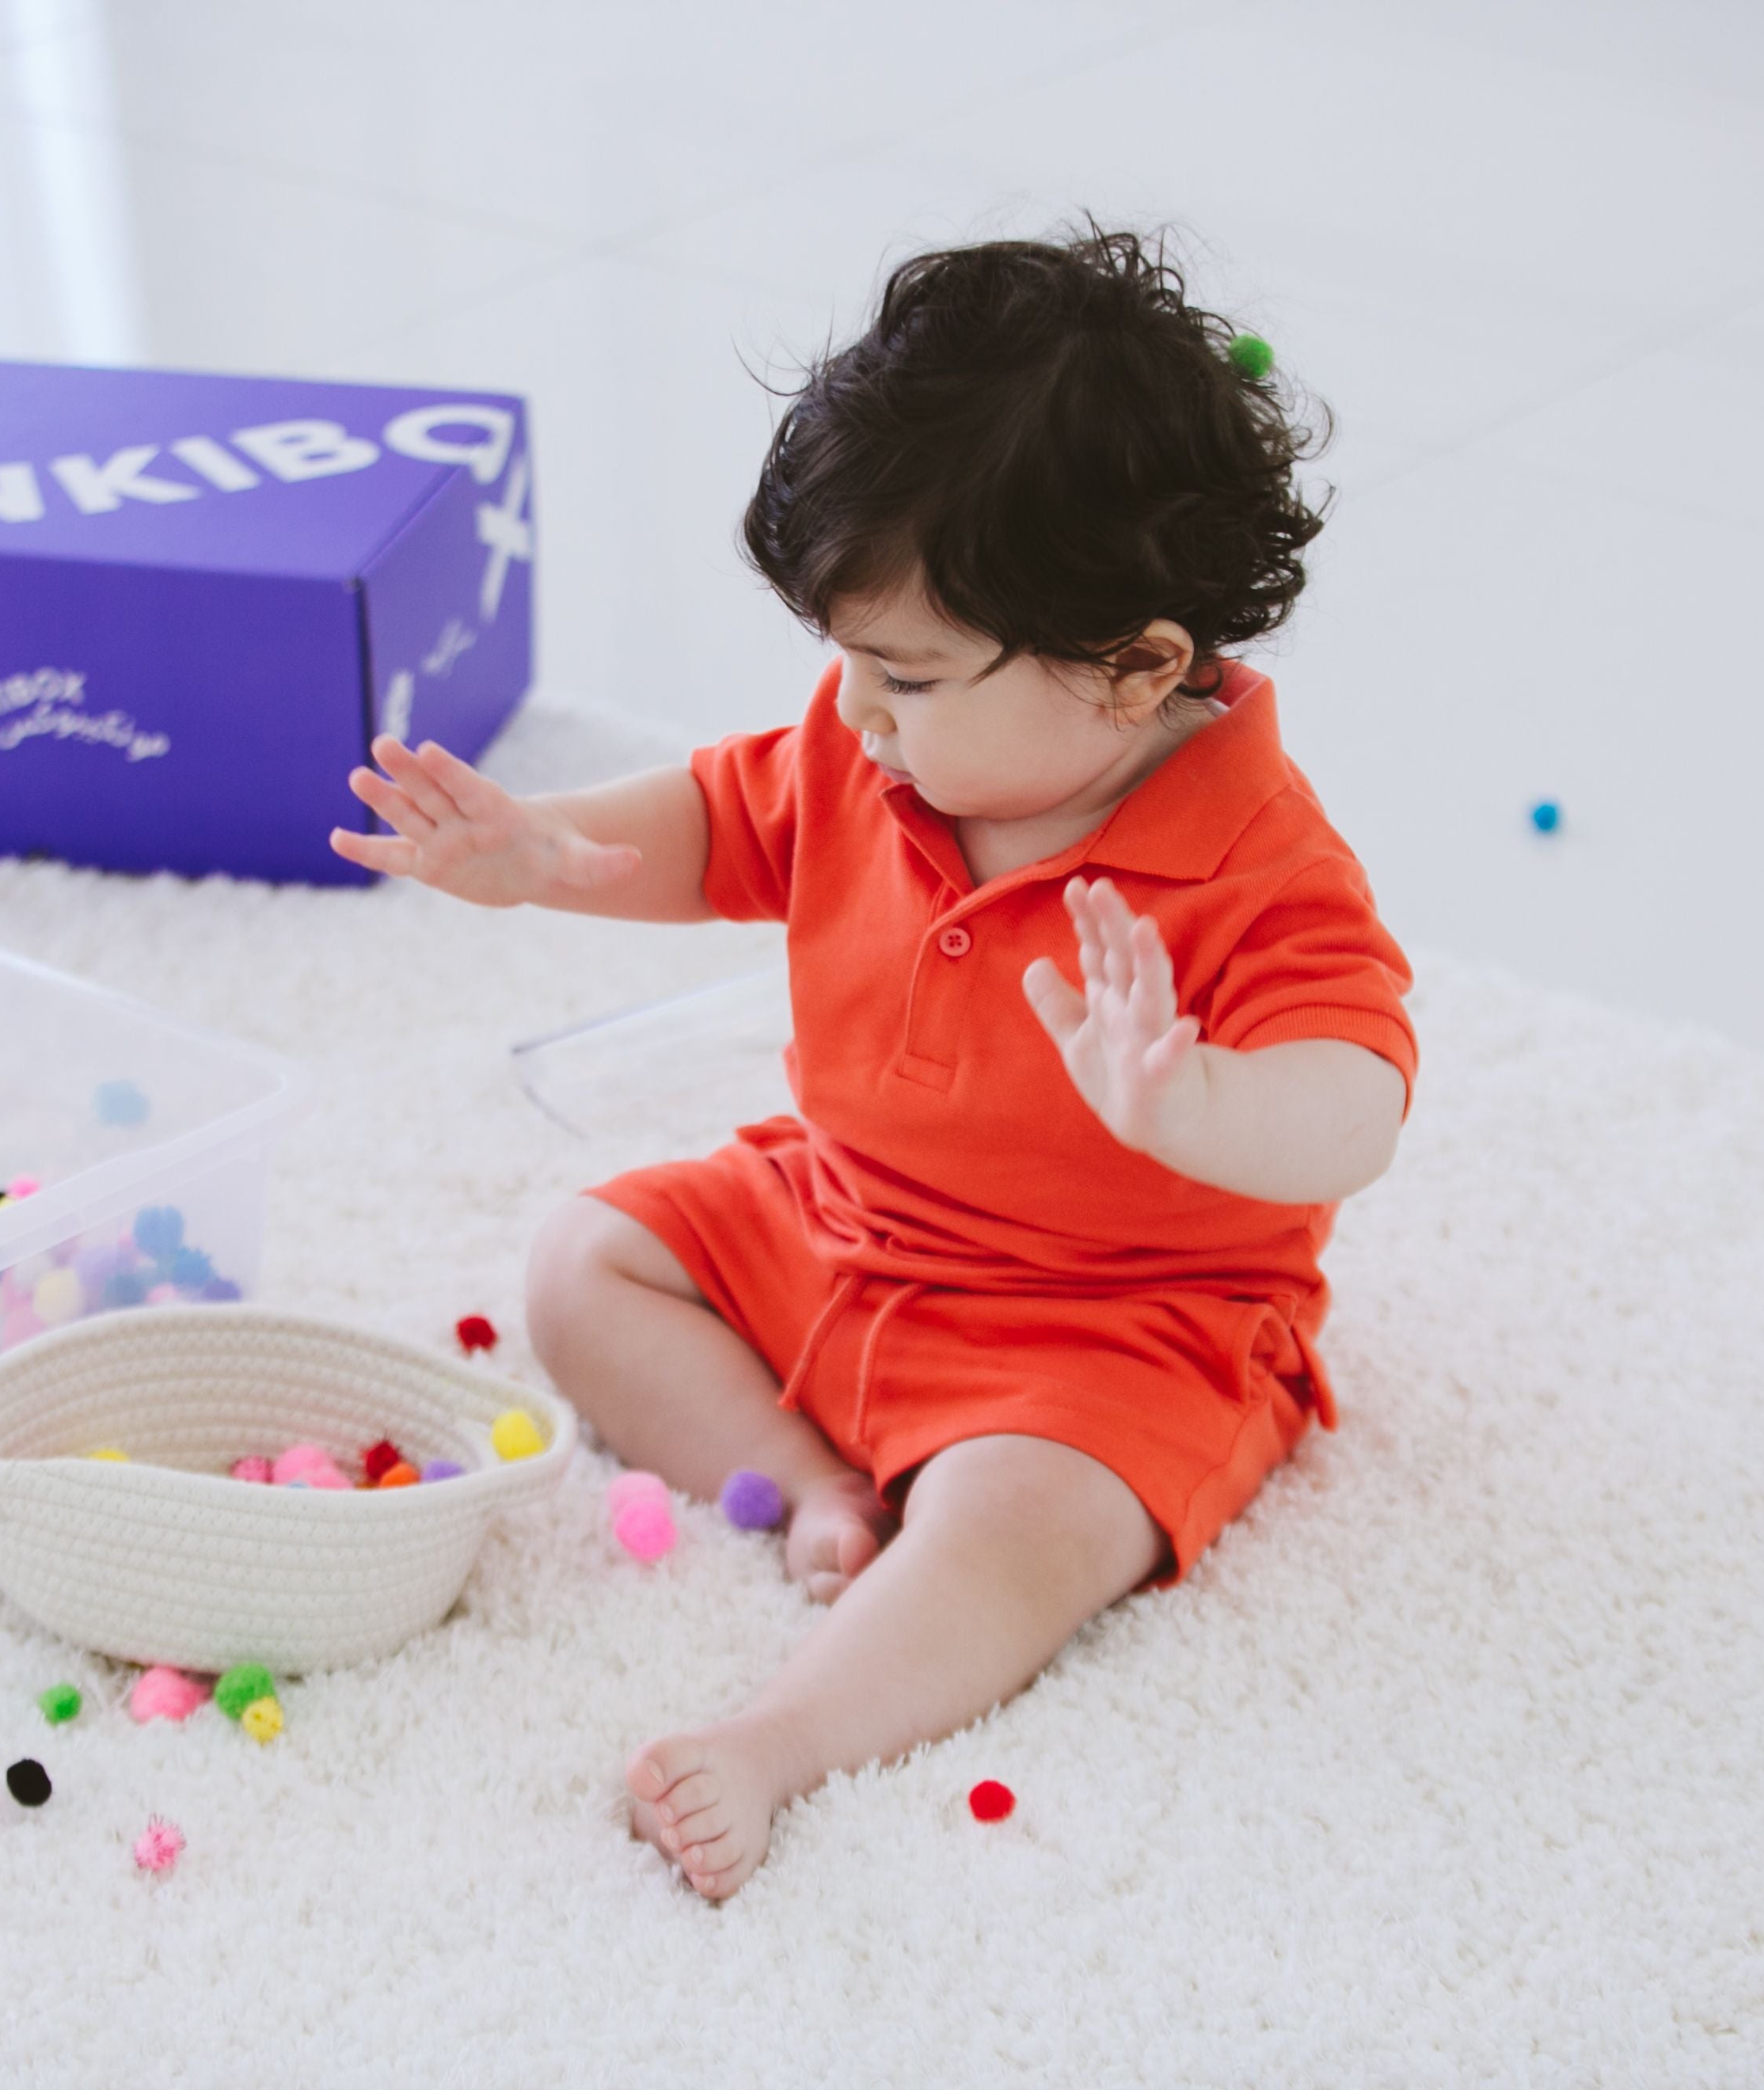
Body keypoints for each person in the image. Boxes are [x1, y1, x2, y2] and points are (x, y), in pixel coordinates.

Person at [329, 228, 1415, 1901]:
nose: (855, 712)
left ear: (1137, 667)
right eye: (846, 662)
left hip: (1112, 1327)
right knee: (582, 1263)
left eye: (902, 676)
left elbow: (1359, 1099)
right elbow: (709, 824)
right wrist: (542, 847)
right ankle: (810, 1489)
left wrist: (1198, 1102)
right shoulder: (876, 754)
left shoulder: (1258, 860)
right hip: (842, 1228)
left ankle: (784, 1736)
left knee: (1021, 1523)